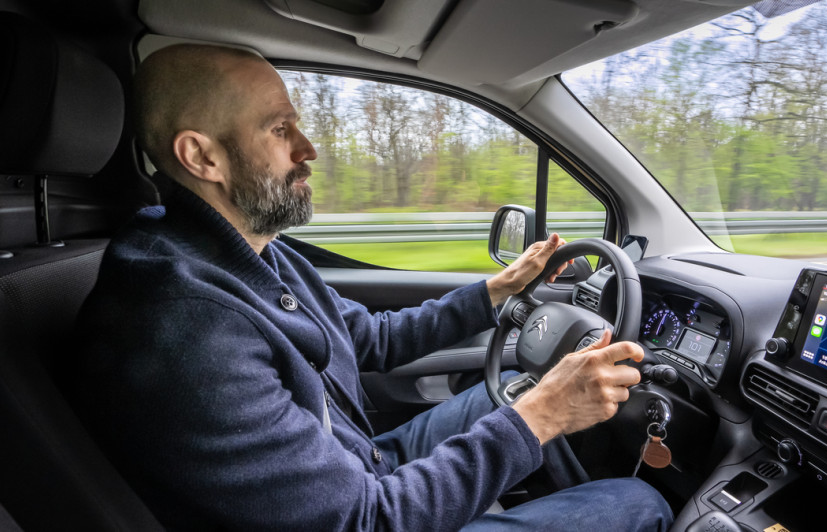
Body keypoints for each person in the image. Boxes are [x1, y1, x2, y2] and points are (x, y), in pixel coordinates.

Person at [75, 43, 673, 531]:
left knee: (514, 392)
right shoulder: (185, 330)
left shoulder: (249, 252)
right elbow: (365, 521)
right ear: (202, 157)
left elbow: (369, 338)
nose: (308, 150)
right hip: (367, 511)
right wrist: (541, 417)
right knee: (639, 504)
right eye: (280, 130)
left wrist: (500, 289)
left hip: (361, 469)